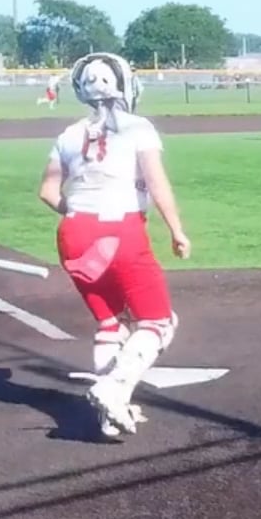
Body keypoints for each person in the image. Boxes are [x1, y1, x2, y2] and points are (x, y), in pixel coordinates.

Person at [37, 53, 191, 438]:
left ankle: (109, 413)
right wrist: (177, 230)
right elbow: (156, 183)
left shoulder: (68, 134)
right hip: (121, 232)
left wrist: (81, 215)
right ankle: (114, 387)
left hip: (73, 233)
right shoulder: (138, 128)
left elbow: (48, 192)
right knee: (158, 322)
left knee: (110, 324)